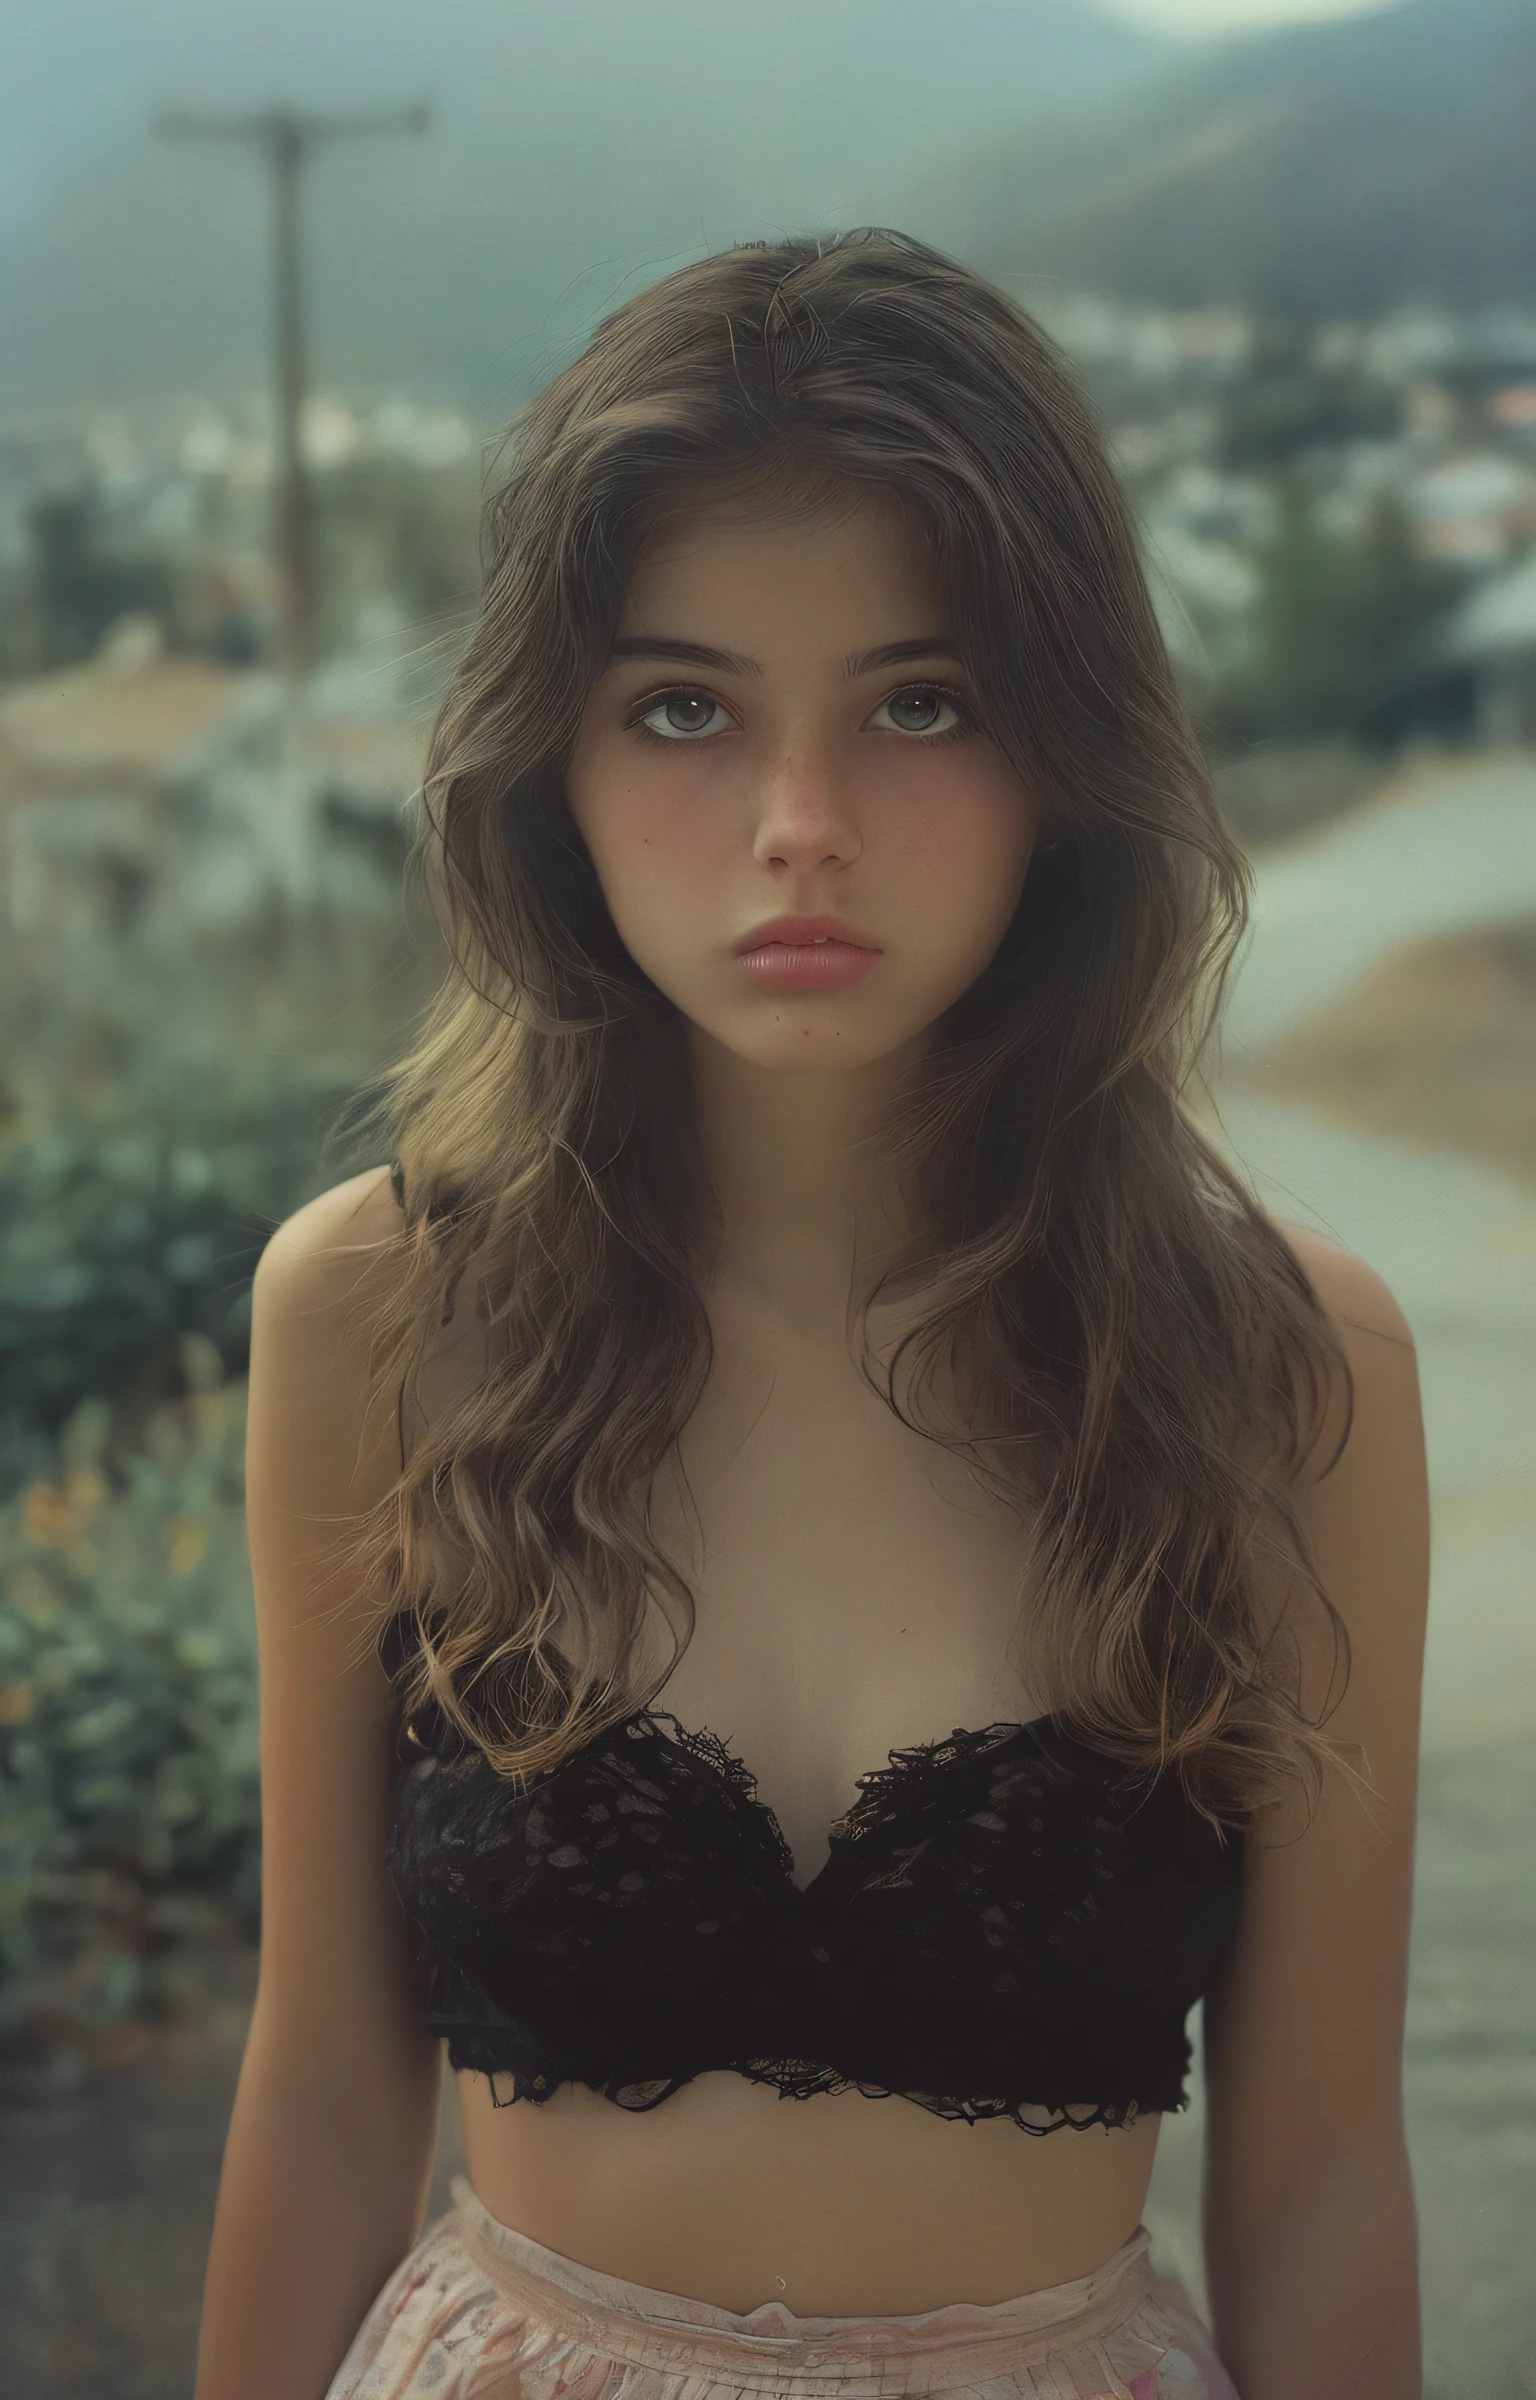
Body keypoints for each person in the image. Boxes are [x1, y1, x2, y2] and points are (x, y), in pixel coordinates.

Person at [191, 231, 1427, 2400]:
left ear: (1065, 755)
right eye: (682, 707)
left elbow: (1319, 2173)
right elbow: (318, 2089)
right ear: (546, 774)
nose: (799, 832)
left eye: (920, 703)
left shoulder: (1283, 1378)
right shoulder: (383, 1314)